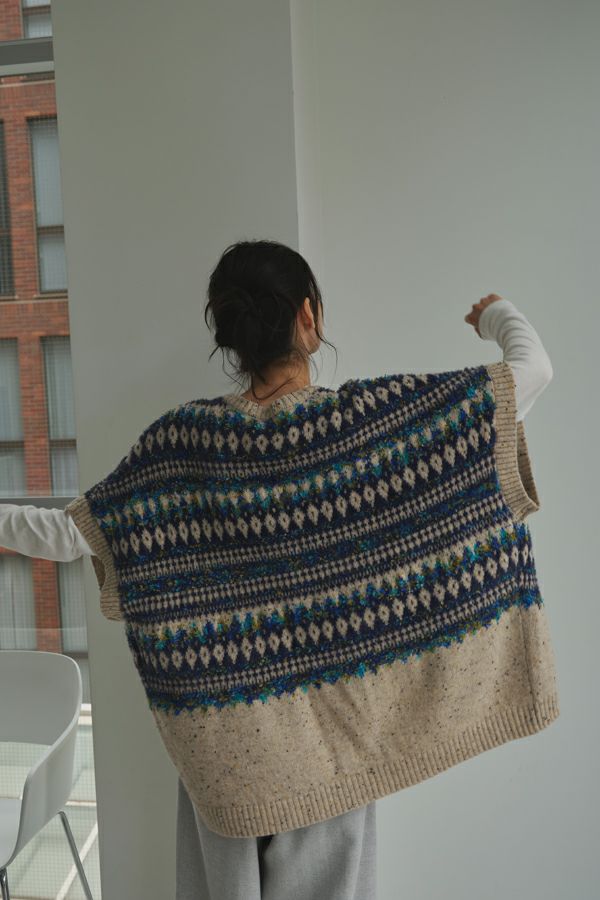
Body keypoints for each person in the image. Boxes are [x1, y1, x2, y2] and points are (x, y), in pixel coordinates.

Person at [0, 240, 555, 900]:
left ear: (229, 334)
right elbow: (533, 370)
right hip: (334, 760)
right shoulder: (368, 429)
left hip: (224, 757)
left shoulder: (181, 448)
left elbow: (68, 534)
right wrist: (495, 313)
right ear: (308, 315)